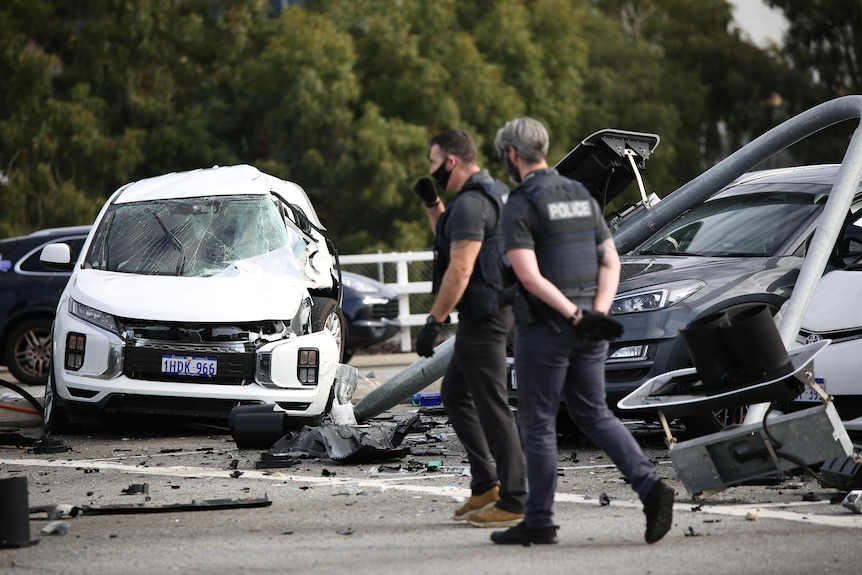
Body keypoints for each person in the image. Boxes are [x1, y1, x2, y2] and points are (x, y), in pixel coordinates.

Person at [491, 117, 674, 545]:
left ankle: (539, 520)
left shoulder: (520, 203)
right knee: (594, 412)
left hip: (546, 328)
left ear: (513, 154)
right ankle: (651, 488)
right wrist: (596, 313)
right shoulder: (580, 194)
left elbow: (530, 277)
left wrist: (573, 316)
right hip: (591, 324)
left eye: (504, 155)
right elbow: (610, 262)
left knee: (537, 423)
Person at [412, 129, 527, 528]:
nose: (431, 167)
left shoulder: (472, 203)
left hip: (485, 318)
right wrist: (433, 203)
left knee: (492, 406)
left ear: (452, 161)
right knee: (455, 393)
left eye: (433, 161)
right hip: (489, 314)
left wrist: (433, 321)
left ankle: (514, 499)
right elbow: (451, 238)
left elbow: (460, 268)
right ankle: (486, 486)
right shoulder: (486, 193)